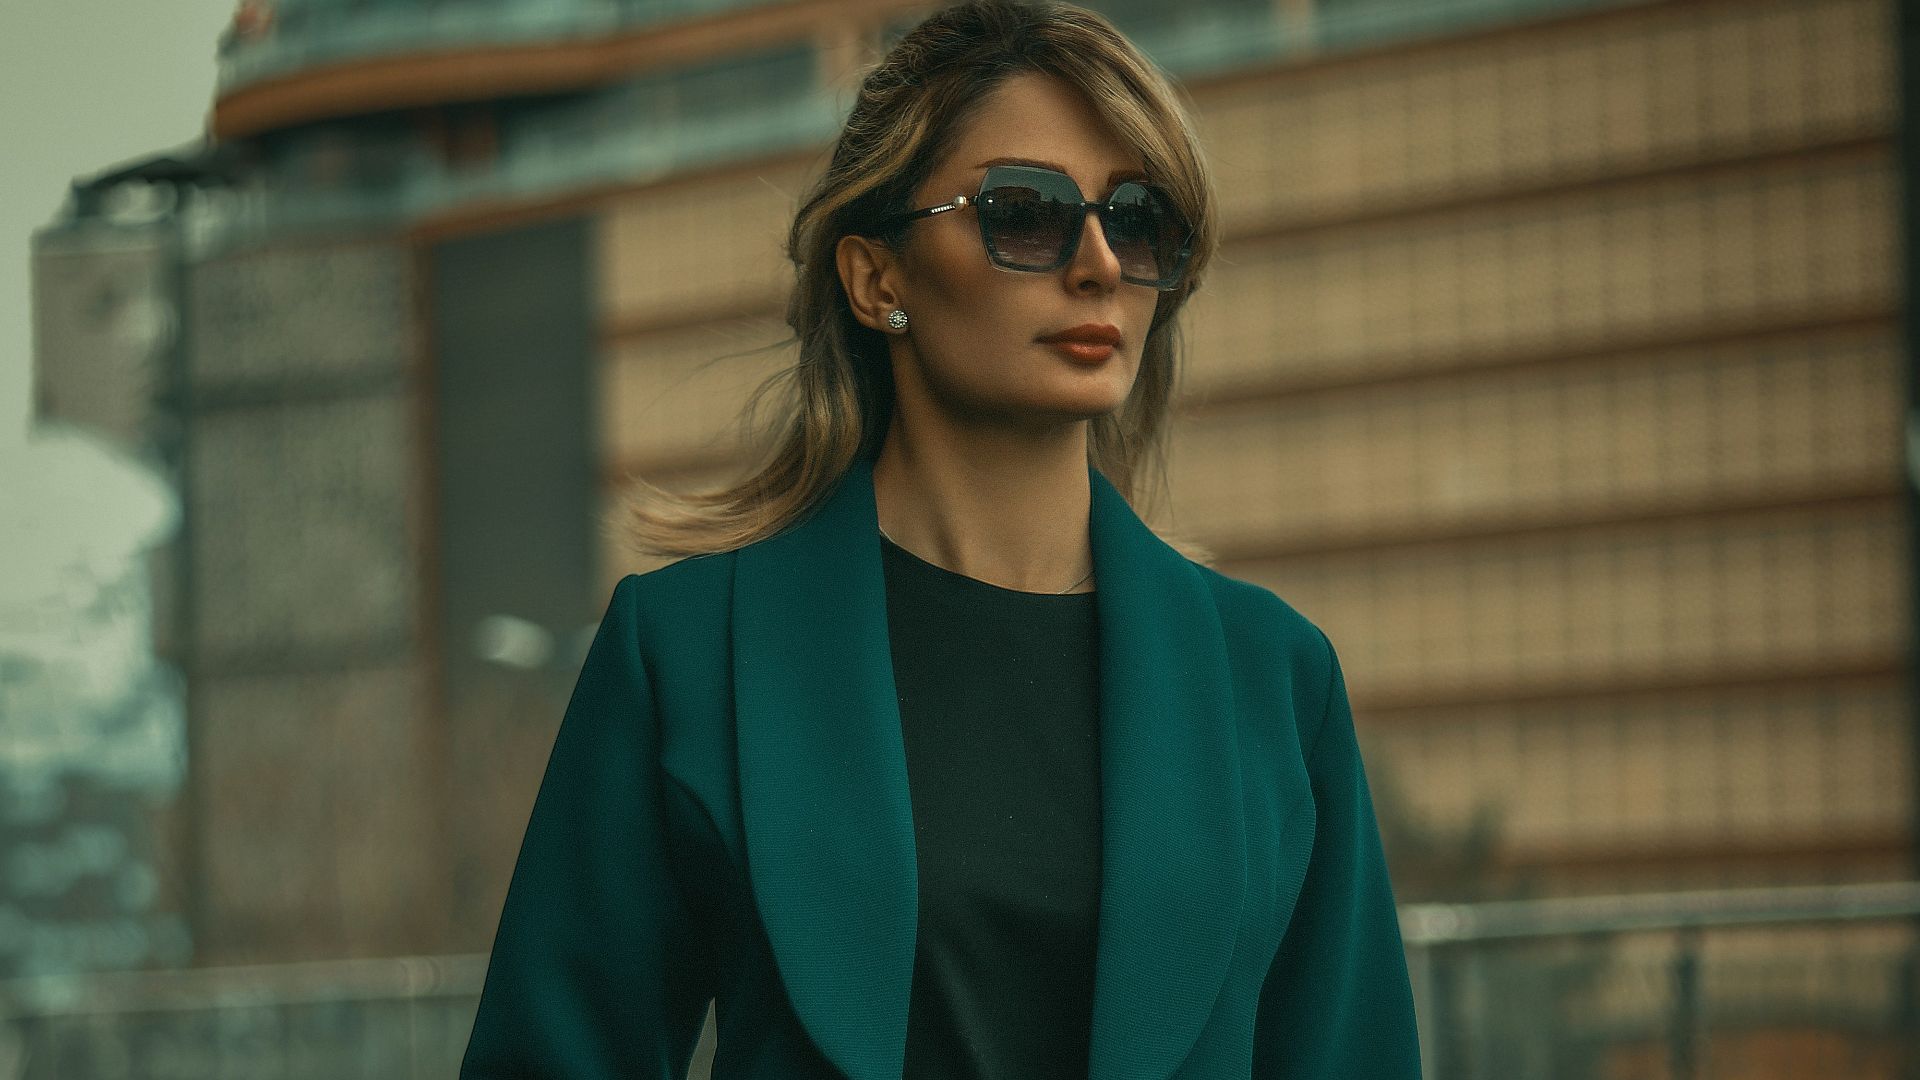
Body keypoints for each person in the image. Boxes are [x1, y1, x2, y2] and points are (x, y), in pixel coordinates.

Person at [458, 1, 1421, 1077]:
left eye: (1137, 219)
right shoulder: (687, 653)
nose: (1099, 261)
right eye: (1025, 211)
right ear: (877, 279)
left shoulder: (1274, 682)